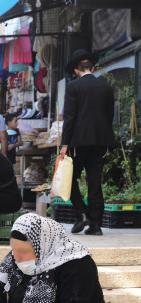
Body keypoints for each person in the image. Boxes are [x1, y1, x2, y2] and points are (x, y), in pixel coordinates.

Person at [60, 49, 115, 236]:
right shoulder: (106, 87)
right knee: (94, 183)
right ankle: (96, 225)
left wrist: (64, 144)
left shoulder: (73, 87)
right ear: (92, 67)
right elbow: (109, 117)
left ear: (77, 70)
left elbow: (70, 118)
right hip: (100, 142)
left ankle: (80, 212)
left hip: (78, 142)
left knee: (69, 178)